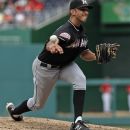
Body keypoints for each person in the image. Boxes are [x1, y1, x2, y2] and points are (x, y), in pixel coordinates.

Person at [6, 0, 96, 130]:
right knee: (37, 104)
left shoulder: (81, 32)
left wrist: (97, 56)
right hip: (45, 68)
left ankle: (77, 122)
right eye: (82, 9)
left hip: (64, 65)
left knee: (80, 79)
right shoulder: (65, 30)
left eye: (87, 9)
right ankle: (15, 112)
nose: (86, 11)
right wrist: (53, 46)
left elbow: (84, 53)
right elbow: (51, 42)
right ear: (73, 11)